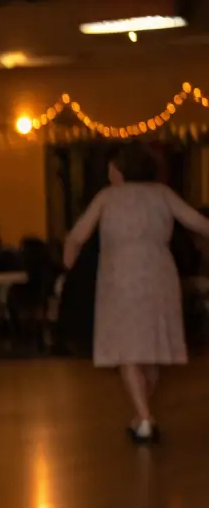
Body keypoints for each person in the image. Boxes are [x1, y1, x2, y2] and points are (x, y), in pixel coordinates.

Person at [64, 143, 209, 444]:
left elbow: (78, 234)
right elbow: (197, 223)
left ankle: (144, 417)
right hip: (158, 273)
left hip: (120, 275)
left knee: (126, 347)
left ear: (120, 170)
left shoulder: (106, 197)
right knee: (151, 348)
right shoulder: (162, 194)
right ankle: (142, 414)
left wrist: (68, 263)